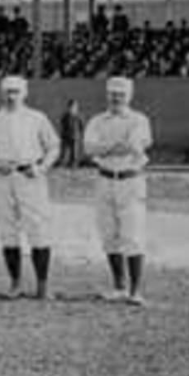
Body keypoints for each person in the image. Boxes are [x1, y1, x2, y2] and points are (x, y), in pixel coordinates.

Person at [0, 75, 59, 299]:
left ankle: (42, 285)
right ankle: (15, 283)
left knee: (38, 228)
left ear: (25, 93)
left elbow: (53, 147)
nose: (11, 96)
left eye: (16, 91)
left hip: (30, 176)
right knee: (7, 230)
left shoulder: (37, 118)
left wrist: (40, 168)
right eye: (8, 91)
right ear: (1, 93)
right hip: (3, 178)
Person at [83, 77, 153, 306]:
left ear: (129, 96)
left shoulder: (139, 120)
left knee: (132, 234)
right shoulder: (97, 121)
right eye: (112, 94)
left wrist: (106, 148)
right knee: (108, 233)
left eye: (121, 94)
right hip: (104, 179)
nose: (116, 98)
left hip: (130, 180)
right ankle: (119, 287)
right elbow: (89, 148)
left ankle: (135, 291)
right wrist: (116, 146)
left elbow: (136, 146)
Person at [57, 99, 84, 168]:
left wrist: (79, 134)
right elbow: (62, 124)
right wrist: (63, 133)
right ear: (69, 107)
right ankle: (62, 162)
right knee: (64, 150)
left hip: (75, 136)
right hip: (66, 136)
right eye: (72, 107)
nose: (74, 109)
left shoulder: (78, 116)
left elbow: (81, 126)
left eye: (75, 107)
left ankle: (73, 163)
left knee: (74, 151)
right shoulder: (65, 116)